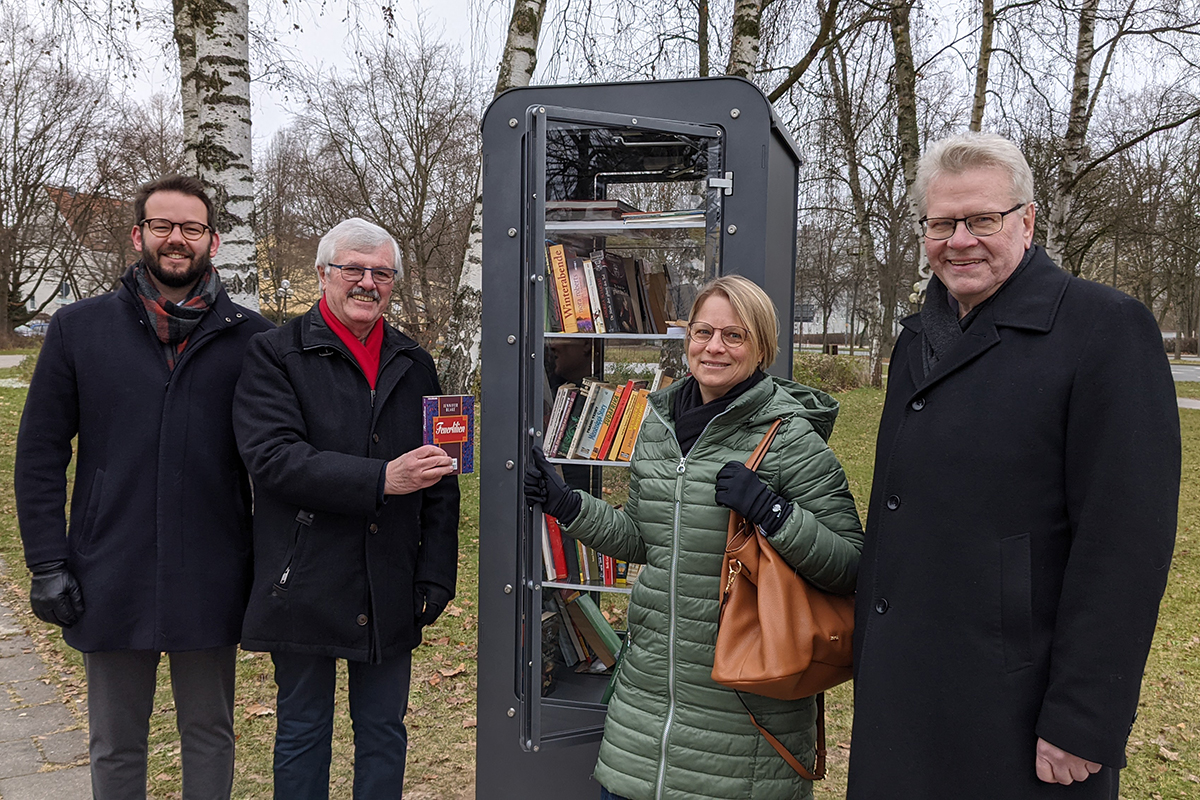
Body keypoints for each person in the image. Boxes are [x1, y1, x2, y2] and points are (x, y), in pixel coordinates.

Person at [847, 132, 1181, 799]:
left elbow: (1125, 542)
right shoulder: (917, 339)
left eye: (982, 219)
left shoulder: (1103, 329)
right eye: (941, 223)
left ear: (1026, 220)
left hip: (1016, 710)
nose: (960, 240)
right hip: (905, 695)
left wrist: (1084, 719)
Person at [526, 275, 863, 800]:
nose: (714, 347)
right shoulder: (659, 426)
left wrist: (773, 512)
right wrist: (567, 504)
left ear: (761, 346)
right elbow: (643, 541)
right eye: (703, 332)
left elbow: (850, 565)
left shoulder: (789, 437)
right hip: (644, 718)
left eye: (735, 335)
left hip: (742, 721)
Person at [14, 175, 272, 798]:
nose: (176, 239)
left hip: (212, 568)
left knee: (210, 731)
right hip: (108, 566)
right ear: (139, 235)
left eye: (191, 228)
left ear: (212, 239)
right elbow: (41, 453)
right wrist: (47, 562)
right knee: (115, 741)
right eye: (162, 226)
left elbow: (276, 458)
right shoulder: (80, 328)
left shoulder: (252, 337)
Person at [233, 217, 460, 799]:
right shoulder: (274, 355)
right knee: (304, 731)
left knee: (384, 730)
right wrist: (384, 478)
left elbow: (442, 478)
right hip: (304, 577)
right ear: (322, 274)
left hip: (389, 579)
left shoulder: (415, 361)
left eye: (381, 273)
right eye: (352, 269)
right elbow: (275, 458)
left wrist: (436, 574)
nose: (367, 283)